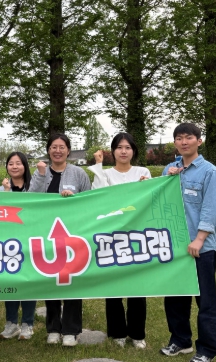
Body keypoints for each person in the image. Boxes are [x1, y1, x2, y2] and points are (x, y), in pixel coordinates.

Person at [159, 123, 216, 362]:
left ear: (199, 141)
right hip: (174, 246)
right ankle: (180, 340)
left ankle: (207, 350)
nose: (184, 142)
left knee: (205, 301)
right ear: (175, 142)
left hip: (201, 248)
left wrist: (199, 239)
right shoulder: (170, 170)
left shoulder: (210, 172)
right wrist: (162, 179)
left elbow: (212, 209)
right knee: (175, 297)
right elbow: (159, 200)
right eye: (179, 138)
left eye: (188, 137)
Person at [87, 133, 151, 349]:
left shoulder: (143, 173)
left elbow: (148, 199)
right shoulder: (105, 174)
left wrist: (145, 187)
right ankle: (117, 333)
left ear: (134, 151)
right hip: (111, 236)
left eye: (128, 147)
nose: (124, 151)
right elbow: (98, 197)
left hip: (136, 236)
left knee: (137, 286)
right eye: (119, 147)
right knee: (113, 286)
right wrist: (98, 165)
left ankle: (137, 334)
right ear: (113, 151)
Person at [29, 133, 91, 347]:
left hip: (73, 234)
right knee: (51, 279)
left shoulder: (78, 173)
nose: (57, 151)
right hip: (47, 234)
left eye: (61, 147)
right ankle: (53, 328)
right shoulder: (40, 172)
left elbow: (90, 201)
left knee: (72, 280)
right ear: (48, 150)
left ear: (68, 150)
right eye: (53, 147)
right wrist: (40, 175)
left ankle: (71, 330)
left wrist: (74, 199)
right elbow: (31, 199)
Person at [0, 152, 36, 341]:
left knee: (29, 281)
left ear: (25, 166)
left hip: (30, 241)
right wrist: (6, 191)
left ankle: (28, 323)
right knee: (10, 281)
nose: (14, 166)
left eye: (18, 163)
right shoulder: (0, 189)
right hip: (8, 242)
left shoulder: (34, 187)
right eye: (10, 163)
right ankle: (11, 322)